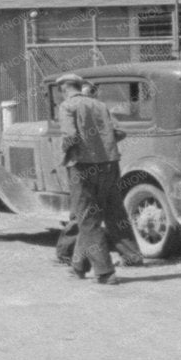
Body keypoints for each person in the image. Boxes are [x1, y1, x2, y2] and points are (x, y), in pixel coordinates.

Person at [55, 73, 127, 285]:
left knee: (87, 218)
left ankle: (105, 272)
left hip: (82, 166)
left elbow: (69, 136)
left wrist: (65, 153)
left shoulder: (67, 106)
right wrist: (101, 142)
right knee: (89, 215)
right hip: (109, 165)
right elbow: (120, 132)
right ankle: (78, 266)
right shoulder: (100, 105)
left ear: (64, 89)